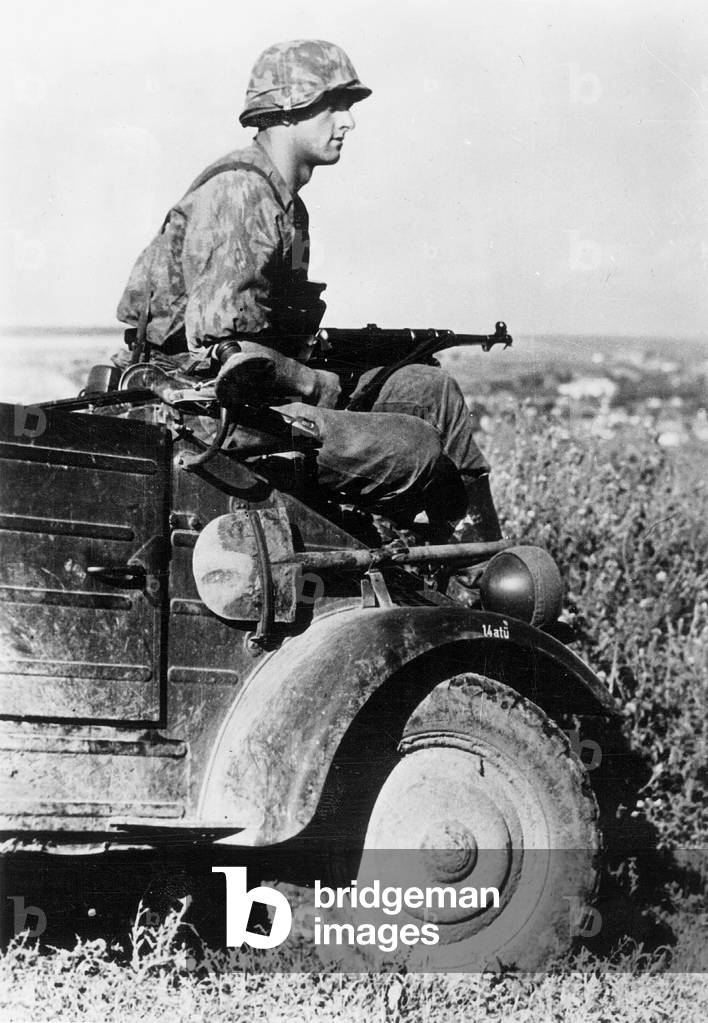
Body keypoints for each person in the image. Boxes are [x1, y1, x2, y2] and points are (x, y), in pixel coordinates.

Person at [116, 39, 500, 543]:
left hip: (258, 396)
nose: (348, 122)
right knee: (416, 445)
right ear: (288, 111)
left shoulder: (289, 209)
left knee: (432, 392)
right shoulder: (241, 194)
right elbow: (220, 350)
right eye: (333, 106)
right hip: (206, 411)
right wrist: (315, 384)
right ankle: (428, 576)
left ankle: (484, 567)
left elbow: (276, 332)